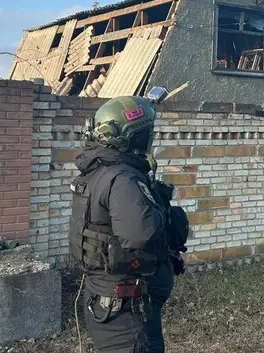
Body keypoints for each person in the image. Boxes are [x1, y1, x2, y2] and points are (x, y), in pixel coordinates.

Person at [70, 95, 188, 353]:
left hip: (112, 300)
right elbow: (141, 233)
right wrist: (163, 214)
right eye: (145, 133)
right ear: (131, 137)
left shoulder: (99, 170)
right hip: (125, 313)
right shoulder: (123, 178)